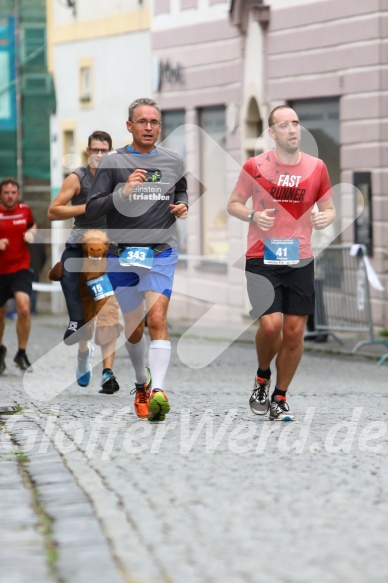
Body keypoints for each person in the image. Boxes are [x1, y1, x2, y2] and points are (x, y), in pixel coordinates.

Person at [227, 105, 335, 421]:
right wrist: (252, 215)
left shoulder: (317, 167)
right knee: (271, 325)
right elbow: (233, 203)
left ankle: (280, 395)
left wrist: (323, 217)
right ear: (272, 133)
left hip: (299, 257)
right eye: (284, 125)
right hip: (261, 255)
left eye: (296, 123)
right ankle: (262, 376)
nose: (292, 129)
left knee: (294, 332)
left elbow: (329, 210)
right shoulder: (255, 165)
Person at [86, 97, 188, 422]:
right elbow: (92, 208)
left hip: (161, 252)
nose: (149, 127)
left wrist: (182, 205)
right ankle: (141, 383)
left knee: (157, 319)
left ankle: (158, 390)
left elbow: (182, 189)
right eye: (142, 122)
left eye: (154, 122)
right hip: (122, 255)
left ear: (160, 126)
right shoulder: (112, 163)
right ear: (129, 126)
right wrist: (122, 193)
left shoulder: (173, 160)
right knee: (133, 327)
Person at [47, 131, 121, 394]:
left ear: (111, 151)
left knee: (108, 309)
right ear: (88, 151)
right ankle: (79, 338)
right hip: (79, 247)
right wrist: (84, 208)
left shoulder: (119, 178)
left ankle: (108, 372)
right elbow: (53, 211)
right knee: (68, 276)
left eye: (104, 150)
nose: (100, 155)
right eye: (95, 150)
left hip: (107, 252)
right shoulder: (77, 178)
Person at [0, 177, 37, 374]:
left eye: (13, 192)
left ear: (18, 194)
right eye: (6, 192)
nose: (10, 196)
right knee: (0, 313)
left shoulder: (24, 210)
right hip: (0, 271)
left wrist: (31, 233)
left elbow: (33, 225)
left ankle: (21, 352)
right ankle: (0, 352)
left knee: (24, 308)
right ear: (1, 194)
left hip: (20, 269)